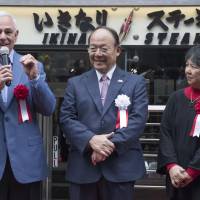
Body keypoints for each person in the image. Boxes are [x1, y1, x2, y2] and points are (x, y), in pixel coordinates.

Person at [60, 26, 148, 200]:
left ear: (117, 50)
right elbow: (66, 118)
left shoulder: (135, 82)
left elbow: (138, 121)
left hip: (121, 168)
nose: (97, 53)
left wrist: (107, 147)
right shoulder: (75, 83)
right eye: (93, 48)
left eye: (104, 48)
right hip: (83, 169)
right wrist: (91, 140)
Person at [0, 12, 56, 200]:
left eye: (8, 31)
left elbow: (48, 108)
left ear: (16, 35)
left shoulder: (31, 65)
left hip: (25, 160)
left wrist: (35, 78)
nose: (3, 37)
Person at [157, 46, 200, 200]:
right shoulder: (176, 98)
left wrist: (192, 171)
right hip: (176, 174)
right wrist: (171, 166)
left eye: (194, 66)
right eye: (187, 65)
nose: (188, 70)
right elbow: (165, 132)